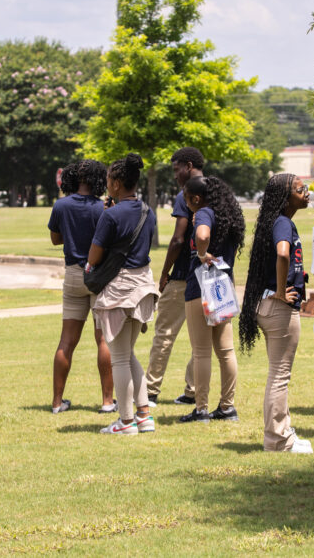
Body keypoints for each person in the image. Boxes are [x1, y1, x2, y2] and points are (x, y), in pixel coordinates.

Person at [239, 173, 313, 453]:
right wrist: (282, 291)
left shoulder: (278, 221)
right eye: (299, 189)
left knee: (276, 374)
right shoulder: (282, 222)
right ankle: (278, 439)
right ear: (285, 197)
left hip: (267, 305)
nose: (306, 192)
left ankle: (281, 433)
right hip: (277, 307)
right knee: (280, 375)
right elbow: (283, 254)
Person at [88, 154, 158, 435]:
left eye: (108, 180)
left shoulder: (110, 215)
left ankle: (126, 421)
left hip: (118, 288)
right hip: (142, 285)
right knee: (128, 353)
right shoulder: (147, 211)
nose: (107, 185)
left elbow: (94, 255)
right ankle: (144, 415)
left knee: (118, 356)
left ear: (116, 183)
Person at [47, 159, 115, 414]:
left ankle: (56, 402)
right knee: (103, 340)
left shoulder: (61, 205)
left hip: (73, 275)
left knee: (66, 341)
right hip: (98, 275)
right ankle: (108, 402)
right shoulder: (103, 208)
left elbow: (55, 239)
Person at [179, 175, 244, 423]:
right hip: (223, 286)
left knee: (202, 352)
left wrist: (202, 253)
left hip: (201, 287)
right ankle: (227, 407)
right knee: (226, 351)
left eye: (187, 199)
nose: (187, 204)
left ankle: (202, 409)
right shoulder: (227, 216)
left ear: (196, 198)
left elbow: (203, 236)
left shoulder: (204, 212)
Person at [146, 147, 199, 407]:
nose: (175, 174)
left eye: (176, 168)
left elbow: (178, 238)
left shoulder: (186, 195)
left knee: (164, 334)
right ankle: (193, 391)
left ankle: (150, 391)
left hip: (182, 276)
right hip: (210, 276)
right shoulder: (217, 190)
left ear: (188, 165)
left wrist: (165, 272)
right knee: (201, 339)